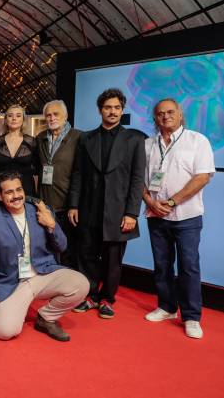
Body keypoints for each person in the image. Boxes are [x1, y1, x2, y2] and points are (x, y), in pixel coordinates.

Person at [0, 172, 89, 341]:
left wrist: (51, 225)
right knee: (4, 331)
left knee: (81, 284)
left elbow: (62, 246)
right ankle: (6, 308)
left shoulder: (39, 210)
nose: (16, 196)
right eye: (9, 192)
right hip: (14, 281)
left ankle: (46, 318)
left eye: (18, 189)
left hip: (43, 273)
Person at [68, 88, 146, 319]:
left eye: (117, 108)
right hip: (88, 208)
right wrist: (73, 205)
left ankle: (107, 299)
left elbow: (137, 178)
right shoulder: (86, 138)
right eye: (107, 107)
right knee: (87, 255)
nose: (112, 112)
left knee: (113, 260)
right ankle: (90, 296)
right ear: (100, 110)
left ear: (122, 110)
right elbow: (78, 174)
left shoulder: (134, 139)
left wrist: (132, 213)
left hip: (118, 211)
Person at [142, 98, 215, 339]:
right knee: (162, 265)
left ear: (180, 114)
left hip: (186, 217)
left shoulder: (197, 141)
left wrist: (172, 202)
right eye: (160, 113)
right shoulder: (147, 144)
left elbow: (202, 177)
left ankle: (192, 317)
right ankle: (166, 307)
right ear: (155, 118)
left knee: (188, 266)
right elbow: (139, 181)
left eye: (170, 112)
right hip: (155, 215)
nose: (165, 116)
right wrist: (151, 202)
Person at [35, 100, 82, 268]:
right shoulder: (40, 138)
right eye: (48, 115)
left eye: (56, 114)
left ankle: (71, 286)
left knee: (68, 249)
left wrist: (74, 204)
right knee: (49, 246)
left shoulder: (78, 137)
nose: (52, 118)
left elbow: (81, 174)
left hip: (68, 206)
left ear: (66, 116)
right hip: (46, 205)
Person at [0, 104, 39, 196]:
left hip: (26, 189)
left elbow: (37, 168)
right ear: (6, 120)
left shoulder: (32, 142)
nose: (14, 118)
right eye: (10, 116)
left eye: (18, 116)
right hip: (4, 190)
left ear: (23, 120)